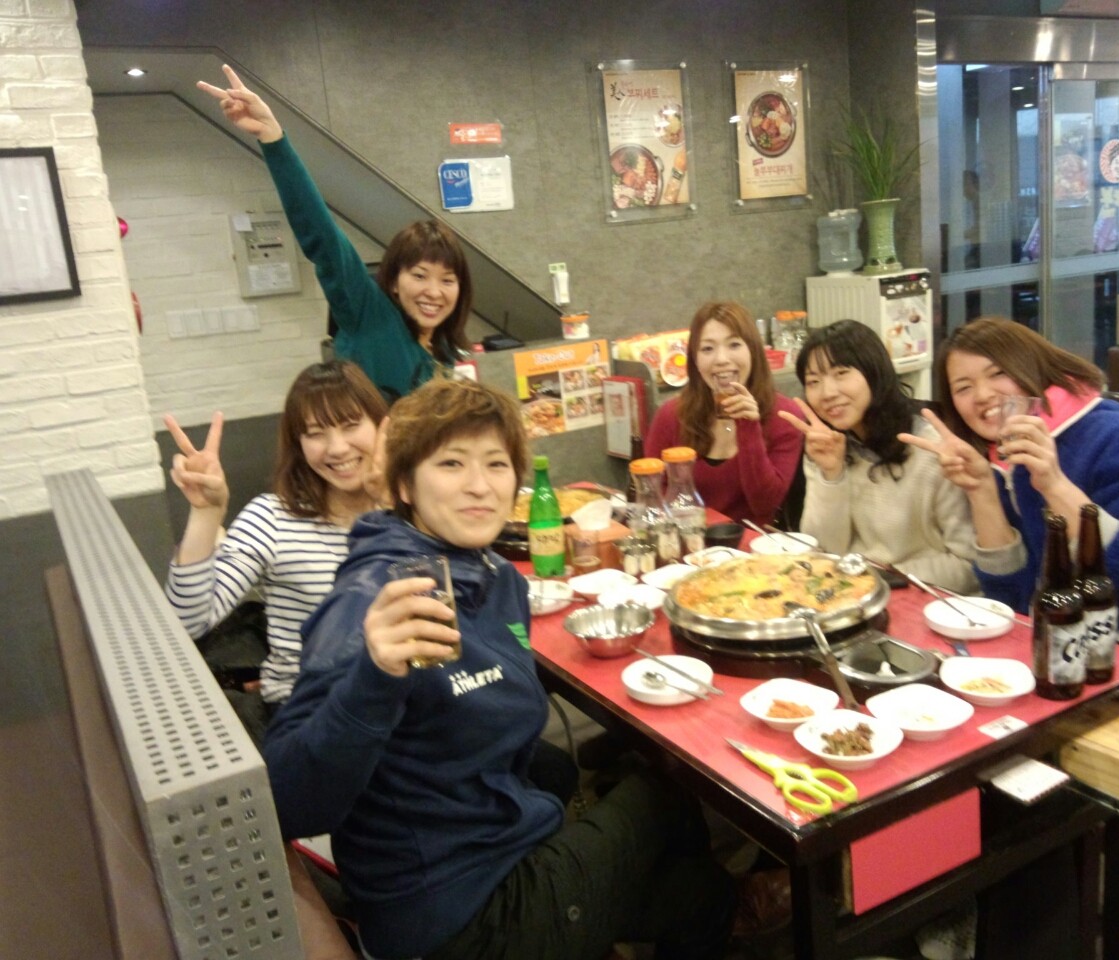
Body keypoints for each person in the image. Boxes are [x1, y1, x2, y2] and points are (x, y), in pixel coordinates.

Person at [264, 378, 734, 960]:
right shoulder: (374, 603)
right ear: (404, 484)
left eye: (496, 463)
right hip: (453, 913)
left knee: (698, 888)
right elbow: (285, 805)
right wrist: (373, 677)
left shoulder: (494, 575)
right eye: (451, 463)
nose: (480, 485)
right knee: (668, 794)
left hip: (500, 843)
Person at [902, 317, 1119, 723]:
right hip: (1059, 678)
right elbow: (1013, 604)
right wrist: (983, 494)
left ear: (1034, 368)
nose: (983, 395)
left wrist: (1055, 485)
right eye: (963, 387)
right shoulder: (1002, 462)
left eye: (998, 373)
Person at [197, 64, 471, 401]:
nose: (434, 291)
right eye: (419, 275)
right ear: (394, 283)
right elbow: (324, 238)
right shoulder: (369, 315)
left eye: (447, 280)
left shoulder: (445, 349)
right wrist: (273, 138)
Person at [164, 361, 390, 728]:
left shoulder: (414, 510)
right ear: (298, 444)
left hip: (409, 708)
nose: (336, 448)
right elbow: (185, 621)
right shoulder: (273, 518)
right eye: (316, 433)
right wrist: (207, 513)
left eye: (351, 425)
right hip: (314, 715)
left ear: (382, 425)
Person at [779, 321, 979, 594]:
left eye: (841, 373)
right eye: (814, 381)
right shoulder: (827, 444)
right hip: (854, 593)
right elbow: (822, 550)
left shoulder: (932, 450)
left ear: (874, 372)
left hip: (928, 599)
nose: (827, 393)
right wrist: (831, 475)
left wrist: (875, 578)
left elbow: (968, 566)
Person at [645, 300, 803, 527]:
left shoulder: (785, 415)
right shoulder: (671, 416)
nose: (721, 359)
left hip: (753, 544)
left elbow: (765, 504)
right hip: (688, 541)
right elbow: (652, 495)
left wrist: (748, 427)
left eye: (734, 345)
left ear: (754, 351)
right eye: (707, 349)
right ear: (694, 359)